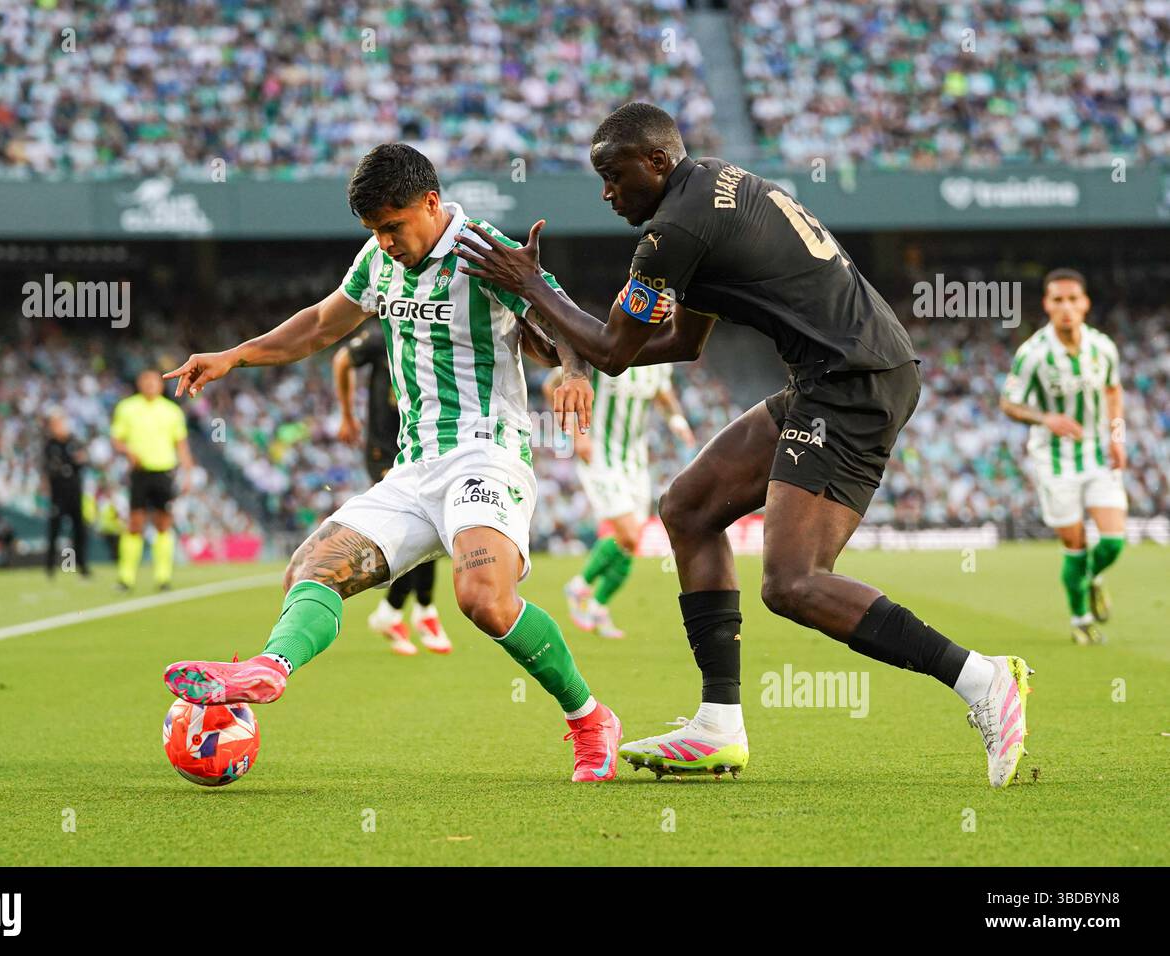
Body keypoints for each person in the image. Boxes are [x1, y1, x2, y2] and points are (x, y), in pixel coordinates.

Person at [454, 102, 1033, 788]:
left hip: (852, 385)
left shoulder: (672, 232)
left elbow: (612, 349)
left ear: (657, 163)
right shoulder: (714, 190)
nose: (607, 193)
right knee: (688, 508)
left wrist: (531, 287)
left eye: (614, 176)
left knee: (793, 583)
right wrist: (571, 346)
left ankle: (981, 679)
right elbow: (682, 343)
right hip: (834, 376)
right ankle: (718, 724)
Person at [160, 143, 622, 782]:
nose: (384, 242)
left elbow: (568, 324)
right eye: (373, 231)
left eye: (392, 227)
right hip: (413, 467)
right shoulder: (377, 261)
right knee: (311, 566)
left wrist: (573, 371)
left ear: (432, 203)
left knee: (482, 599)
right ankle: (268, 667)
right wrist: (233, 356)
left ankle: (591, 720)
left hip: (486, 454)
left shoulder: (489, 253)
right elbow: (323, 324)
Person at [1001, 269, 1126, 645]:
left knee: (1113, 542)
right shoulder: (1033, 354)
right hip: (1054, 461)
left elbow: (1113, 390)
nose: (1066, 307)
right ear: (1047, 305)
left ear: (1085, 303)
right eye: (1058, 300)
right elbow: (1008, 402)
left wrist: (1117, 436)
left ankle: (1091, 579)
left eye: (1073, 299)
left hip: (1096, 455)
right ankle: (1081, 620)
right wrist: (1045, 417)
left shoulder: (1102, 347)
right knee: (1075, 544)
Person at [335, 322, 452, 656]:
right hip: (384, 450)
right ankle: (422, 610)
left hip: (422, 446)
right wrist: (347, 415)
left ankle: (394, 611)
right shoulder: (380, 334)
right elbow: (342, 360)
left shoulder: (436, 331)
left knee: (427, 522)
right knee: (421, 517)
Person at [554, 364, 694, 638]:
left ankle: (598, 606)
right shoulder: (604, 347)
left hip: (636, 463)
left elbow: (663, 396)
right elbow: (553, 386)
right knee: (628, 534)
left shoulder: (660, 360)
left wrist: (677, 420)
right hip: (600, 458)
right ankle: (580, 585)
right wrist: (576, 435)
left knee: (630, 542)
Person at [110, 370, 193, 592]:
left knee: (163, 523)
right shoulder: (127, 408)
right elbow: (116, 439)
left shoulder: (171, 411)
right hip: (140, 472)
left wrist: (188, 474)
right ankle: (125, 578)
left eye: (154, 381)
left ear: (160, 384)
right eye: (145, 381)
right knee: (135, 523)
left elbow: (181, 445)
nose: (149, 385)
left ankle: (163, 576)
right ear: (139, 383)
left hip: (164, 472)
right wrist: (128, 452)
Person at [43, 410, 91, 579]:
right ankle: (50, 567)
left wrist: (71, 463)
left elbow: (82, 460)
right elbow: (52, 467)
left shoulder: (74, 442)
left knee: (80, 530)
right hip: (58, 494)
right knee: (54, 531)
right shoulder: (50, 445)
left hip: (75, 493)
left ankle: (82, 565)